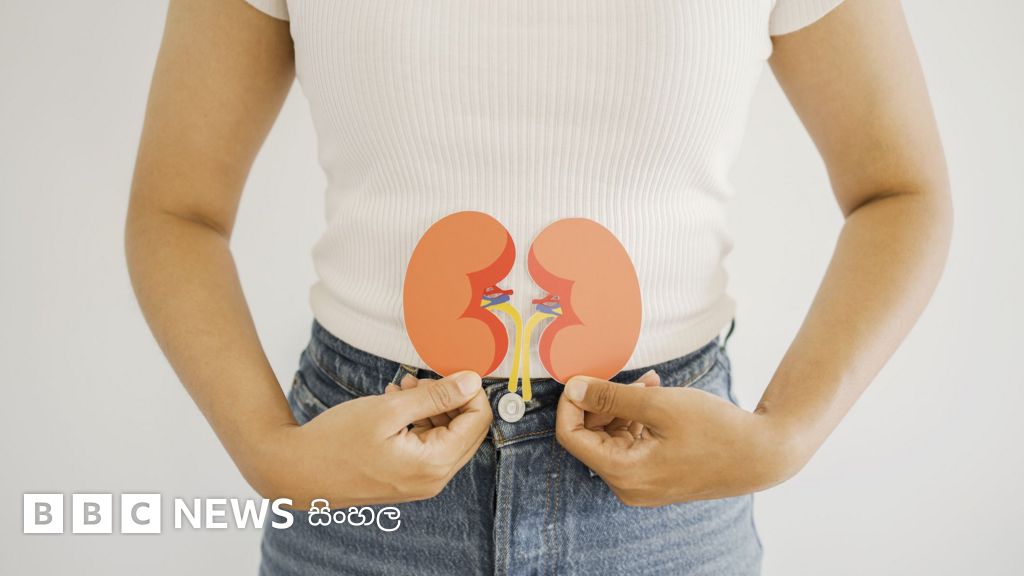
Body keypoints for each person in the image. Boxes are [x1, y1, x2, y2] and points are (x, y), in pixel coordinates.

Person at [125, 0, 952, 573]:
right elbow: (177, 210)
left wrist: (786, 437)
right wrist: (268, 455)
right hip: (357, 485)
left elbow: (899, 191)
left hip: (666, 489)